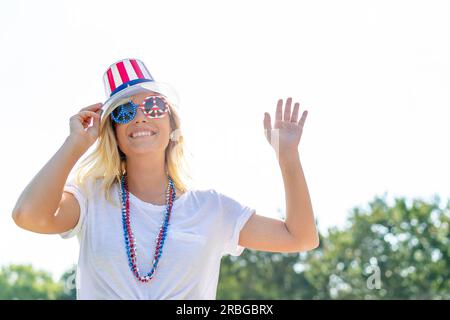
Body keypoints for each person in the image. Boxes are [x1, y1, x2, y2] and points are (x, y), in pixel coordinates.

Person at [12, 58, 319, 299]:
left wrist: (288, 157)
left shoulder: (211, 209)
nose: (140, 116)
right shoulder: (89, 197)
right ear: (114, 134)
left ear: (172, 124)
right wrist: (75, 144)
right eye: (124, 111)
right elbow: (28, 215)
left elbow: (301, 238)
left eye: (154, 106)